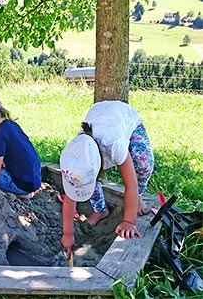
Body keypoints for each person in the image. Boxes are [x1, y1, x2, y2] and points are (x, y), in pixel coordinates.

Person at [60, 100, 154, 258]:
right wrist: (68, 234)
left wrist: (129, 222)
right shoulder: (75, 158)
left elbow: (130, 184)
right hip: (99, 115)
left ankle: (137, 199)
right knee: (87, 183)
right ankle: (100, 211)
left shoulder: (114, 145)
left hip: (126, 119)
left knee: (143, 163)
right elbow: (70, 200)